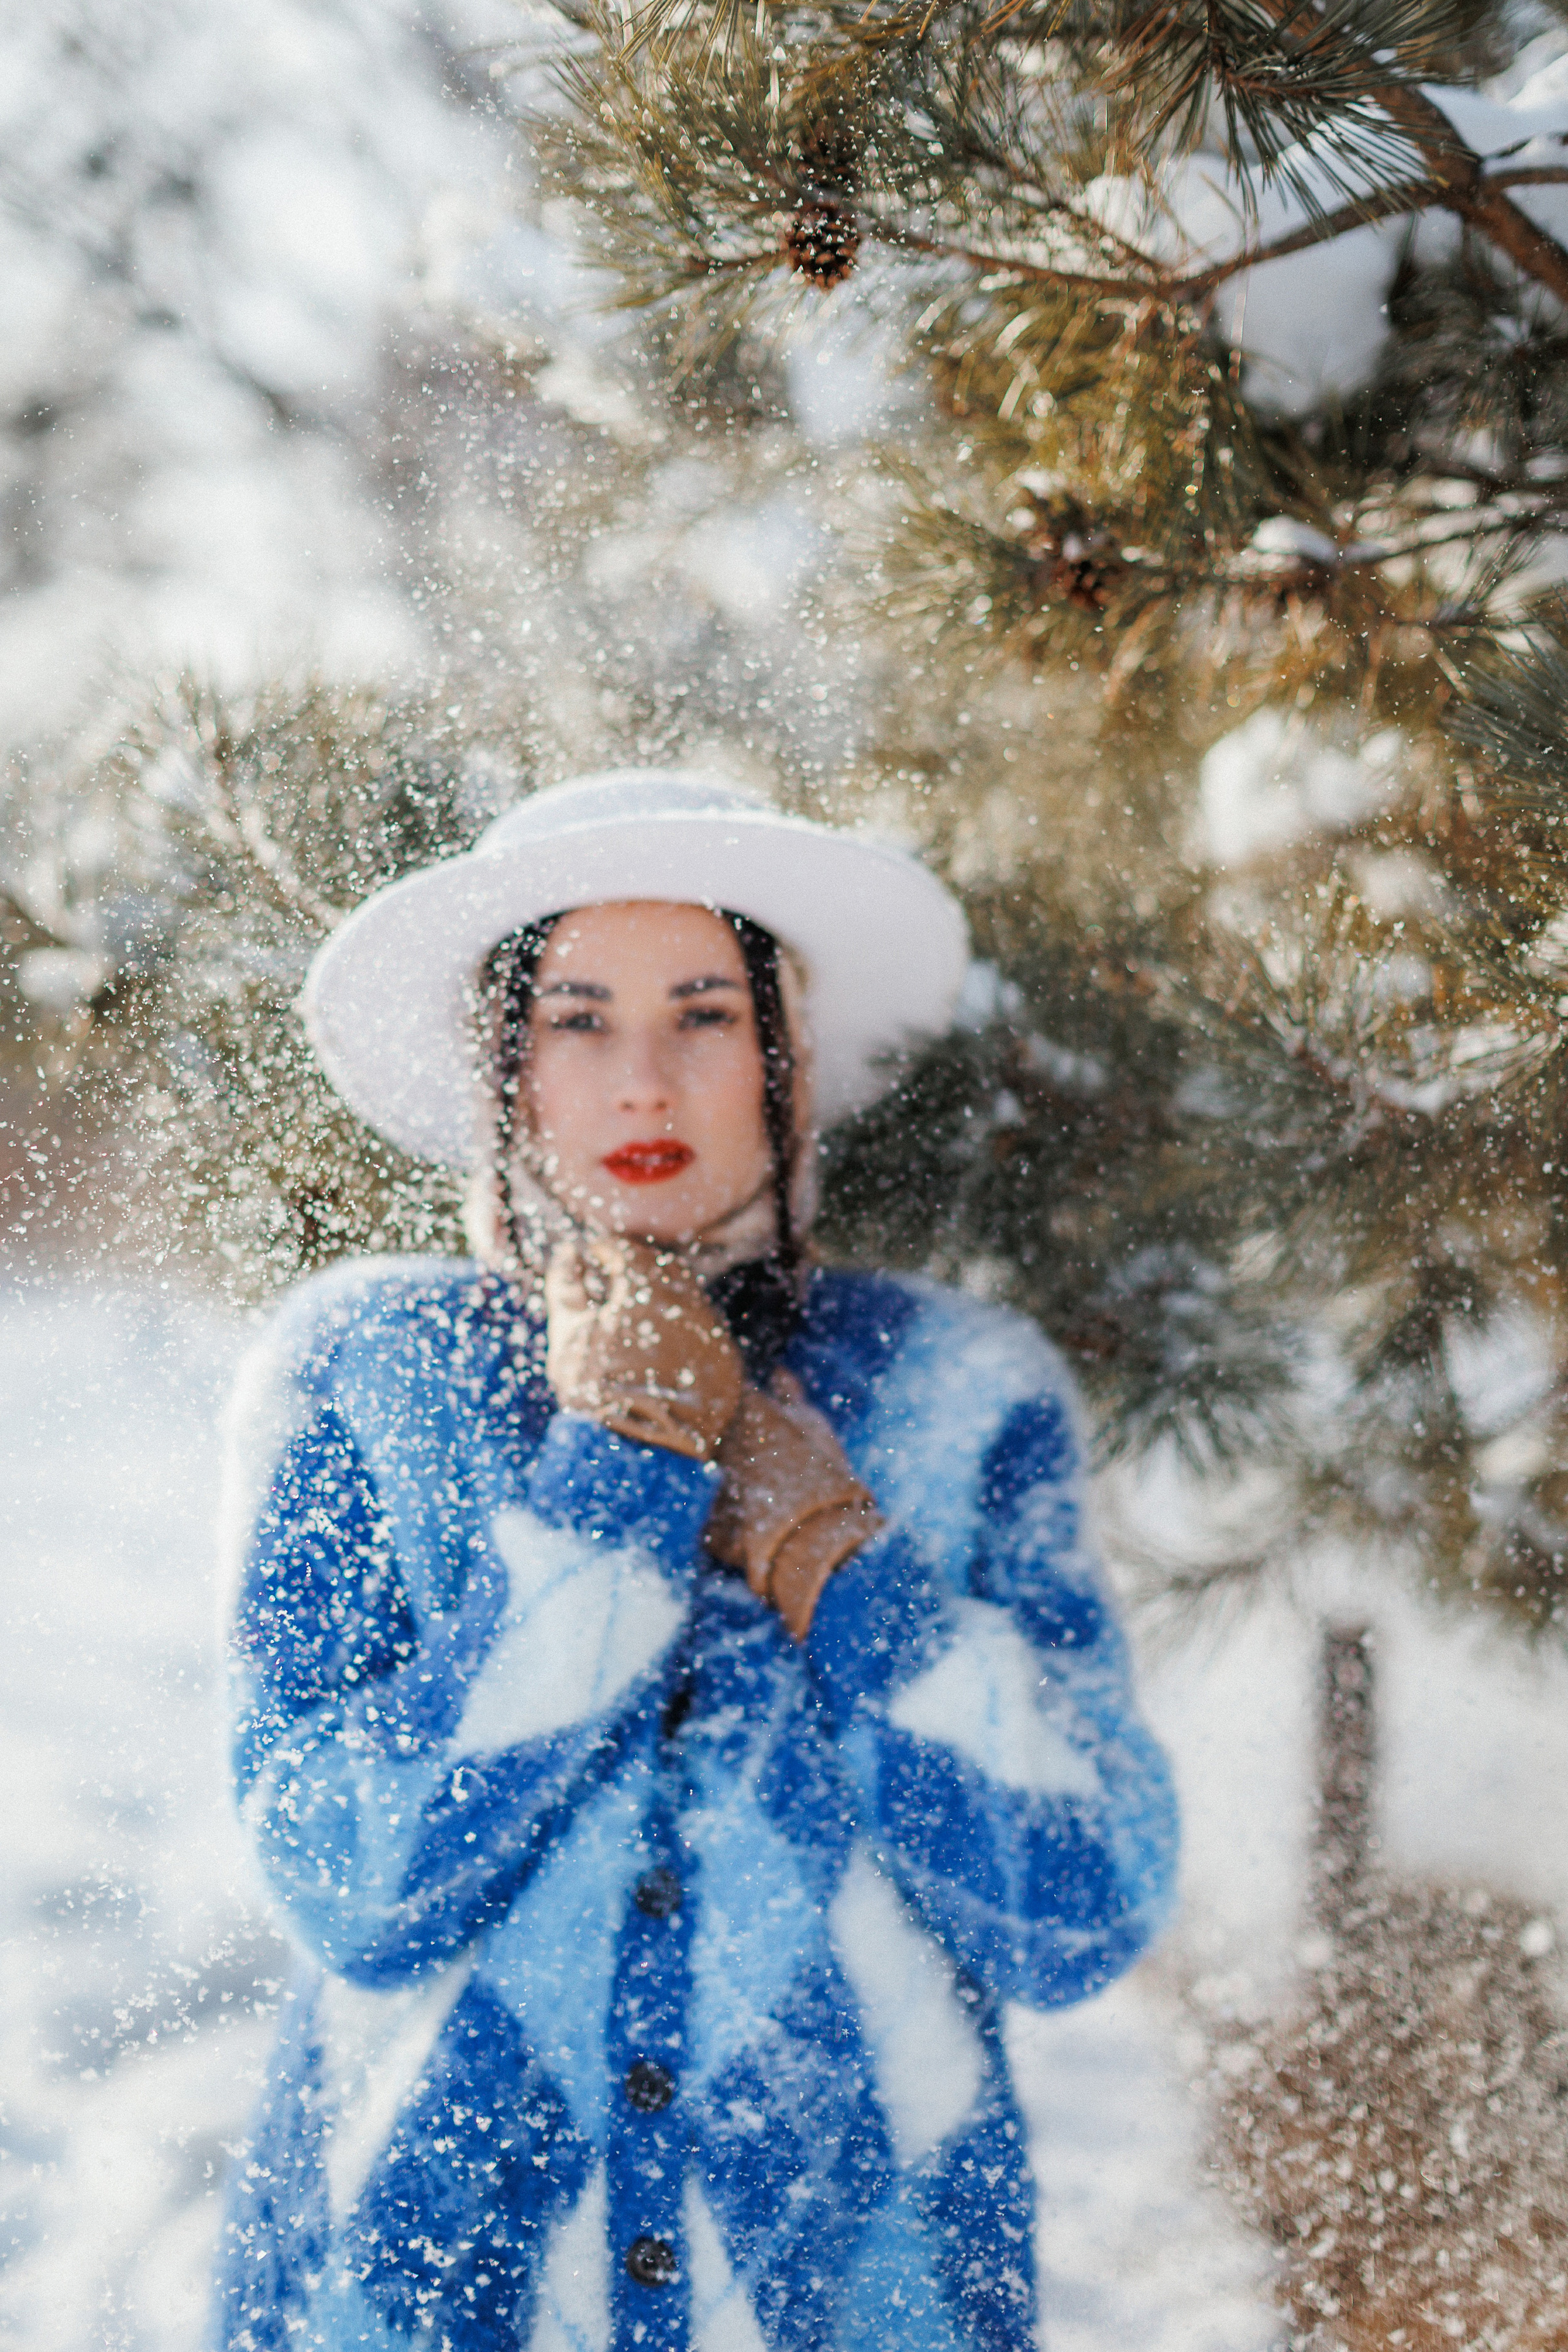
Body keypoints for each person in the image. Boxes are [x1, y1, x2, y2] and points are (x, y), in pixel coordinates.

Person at [214, 769, 1178, 2352]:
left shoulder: (955, 1393)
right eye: (578, 1017)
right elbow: (355, 1882)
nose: (643, 1080)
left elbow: (1079, 1904)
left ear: (786, 1055)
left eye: (707, 1015)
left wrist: (843, 1562)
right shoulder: (363, 1380)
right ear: (502, 1065)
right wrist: (611, 1486)